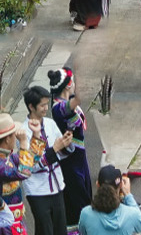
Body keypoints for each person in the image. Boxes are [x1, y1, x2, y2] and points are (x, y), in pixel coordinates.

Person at [20, 85, 71, 235]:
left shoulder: (50, 123)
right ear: (31, 106)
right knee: (45, 230)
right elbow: (31, 166)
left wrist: (66, 144)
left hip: (57, 185)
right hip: (37, 190)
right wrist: (54, 150)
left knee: (61, 228)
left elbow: (61, 154)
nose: (45, 108)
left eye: (46, 104)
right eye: (42, 105)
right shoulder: (24, 133)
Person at [47, 69, 91, 229]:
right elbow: (72, 104)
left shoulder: (68, 100)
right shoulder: (58, 108)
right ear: (68, 85)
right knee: (78, 202)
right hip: (71, 163)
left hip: (79, 159)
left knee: (85, 197)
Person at [76, 165, 141, 235]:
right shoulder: (131, 214)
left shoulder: (86, 213)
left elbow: (83, 231)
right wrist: (128, 194)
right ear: (121, 185)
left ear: (97, 184)